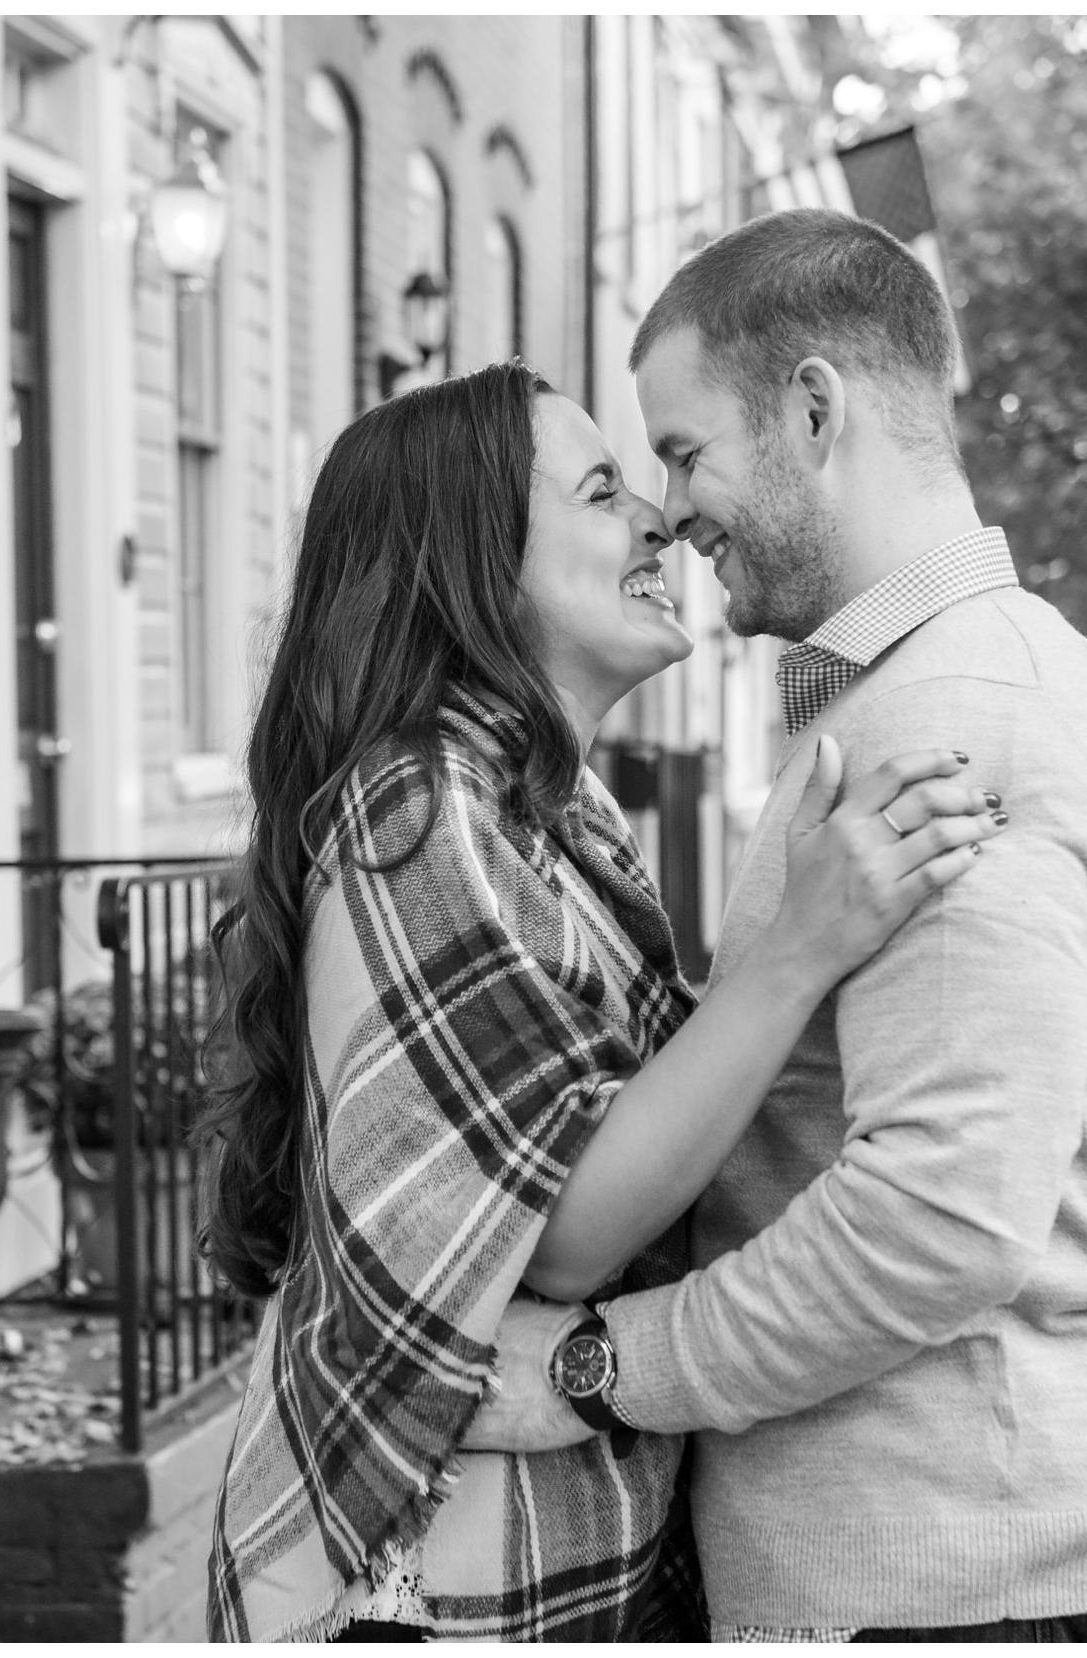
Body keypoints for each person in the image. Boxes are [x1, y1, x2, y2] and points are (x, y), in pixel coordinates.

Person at [466, 208, 1087, 1642]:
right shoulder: (926, 691)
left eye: (686, 453)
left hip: (968, 1579)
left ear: (812, 409)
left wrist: (587, 1365)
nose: (673, 514)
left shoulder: (953, 722)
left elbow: (937, 1221)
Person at [198, 360, 1007, 1642]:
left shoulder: (547, 811)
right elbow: (567, 1224)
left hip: (533, 1559)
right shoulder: (422, 807)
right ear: (470, 562)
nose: (659, 519)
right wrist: (801, 948)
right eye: (599, 490)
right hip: (432, 1580)